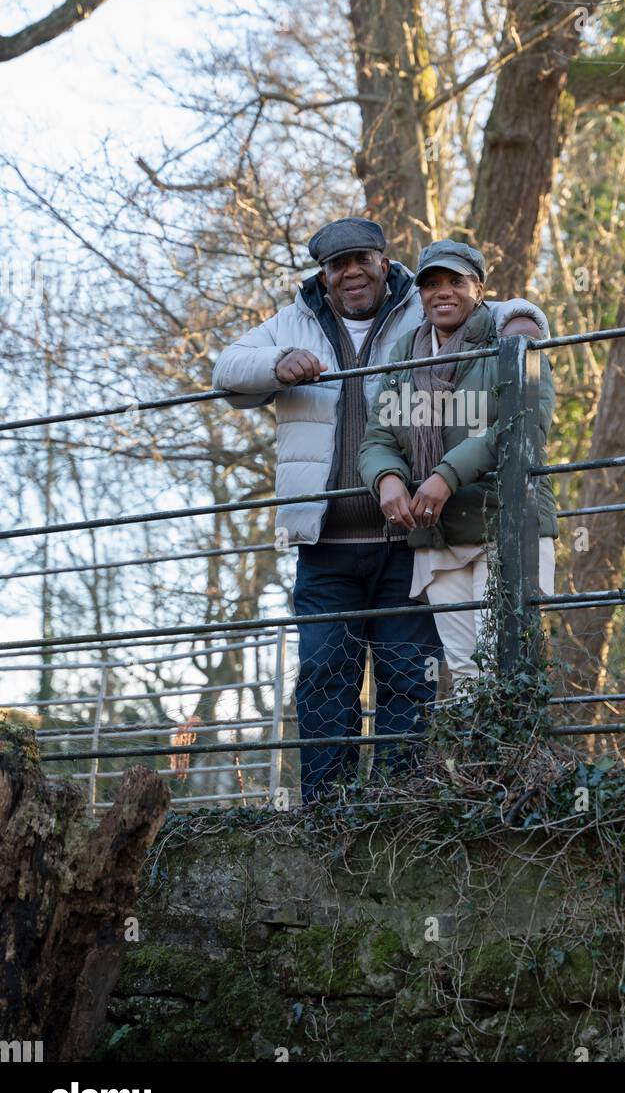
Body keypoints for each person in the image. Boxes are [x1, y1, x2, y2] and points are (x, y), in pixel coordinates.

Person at [212, 218, 548, 801]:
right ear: (323, 274)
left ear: (382, 261)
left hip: (407, 540)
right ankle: (327, 810)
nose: (351, 273)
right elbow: (225, 369)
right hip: (325, 544)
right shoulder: (293, 322)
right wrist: (279, 364)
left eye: (361, 259)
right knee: (323, 672)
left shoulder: (415, 310)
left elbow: (482, 302)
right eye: (337, 265)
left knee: (407, 676)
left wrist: (524, 322)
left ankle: (398, 806)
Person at [358, 239, 558, 693]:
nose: (442, 292)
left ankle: (520, 763)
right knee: (466, 673)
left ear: (479, 288)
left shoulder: (511, 339)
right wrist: (387, 479)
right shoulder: (406, 355)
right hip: (437, 535)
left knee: (509, 664)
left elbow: (522, 424)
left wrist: (445, 476)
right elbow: (379, 437)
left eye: (455, 281)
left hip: (505, 524)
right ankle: (479, 766)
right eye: (431, 284)